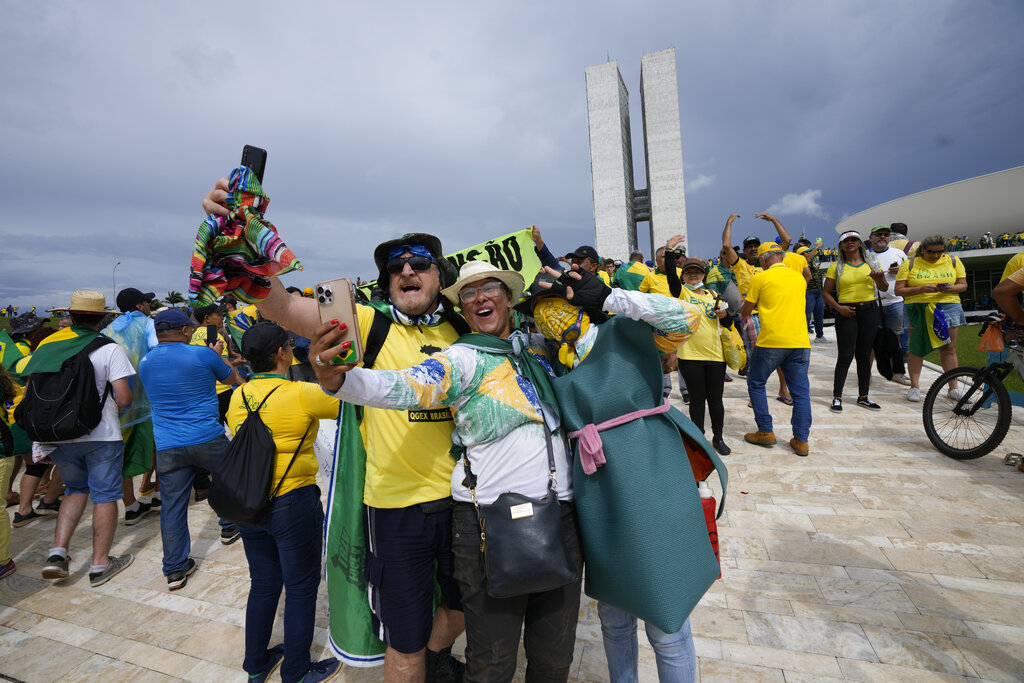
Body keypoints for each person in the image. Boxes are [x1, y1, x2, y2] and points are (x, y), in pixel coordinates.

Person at [206, 170, 466, 679]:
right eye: (396, 267)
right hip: (396, 507)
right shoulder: (369, 323)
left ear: (439, 276)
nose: (406, 270)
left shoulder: (462, 326)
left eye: (419, 263)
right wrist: (244, 238)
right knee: (404, 640)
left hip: (464, 502)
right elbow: (280, 307)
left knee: (462, 609)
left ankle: (438, 658)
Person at [312, 260, 582, 681]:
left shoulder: (540, 349)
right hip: (489, 525)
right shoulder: (462, 358)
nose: (479, 298)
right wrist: (339, 382)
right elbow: (404, 385)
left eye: (489, 288)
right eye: (469, 294)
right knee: (491, 662)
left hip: (559, 516)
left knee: (554, 657)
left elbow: (675, 329)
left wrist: (600, 300)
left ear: (508, 297)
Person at [227, 323, 341, 683]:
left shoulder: (237, 397)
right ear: (282, 353)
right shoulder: (301, 393)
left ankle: (257, 663)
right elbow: (349, 403)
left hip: (247, 502)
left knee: (263, 583)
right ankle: (296, 670)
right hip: (292, 502)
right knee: (301, 587)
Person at [28, 291, 136, 586]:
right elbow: (124, 396)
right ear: (102, 318)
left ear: (71, 316)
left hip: (57, 435)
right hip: (101, 435)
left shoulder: (47, 346)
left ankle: (57, 552)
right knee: (104, 496)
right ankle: (100, 564)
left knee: (75, 489)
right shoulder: (107, 348)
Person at [138, 308, 244, 589]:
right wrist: (218, 353)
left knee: (172, 505)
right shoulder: (202, 353)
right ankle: (230, 527)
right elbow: (230, 379)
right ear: (185, 330)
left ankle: (174, 568)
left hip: (168, 445)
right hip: (206, 436)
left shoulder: (145, 361)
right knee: (229, 480)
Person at [740, 244, 812, 456]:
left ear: (763, 260)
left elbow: (745, 311)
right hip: (799, 342)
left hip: (771, 340)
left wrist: (757, 304)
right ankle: (801, 440)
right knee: (800, 393)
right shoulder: (798, 278)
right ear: (781, 257)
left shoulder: (760, 278)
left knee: (756, 382)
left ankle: (765, 431)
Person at [107, 286, 161, 525]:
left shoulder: (109, 330)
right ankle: (159, 495)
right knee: (160, 447)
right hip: (150, 400)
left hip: (119, 403)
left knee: (121, 454)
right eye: (147, 302)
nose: (149, 306)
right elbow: (157, 356)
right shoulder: (149, 325)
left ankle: (130, 506)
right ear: (140, 306)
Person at [894, 234, 968, 401]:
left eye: (940, 252)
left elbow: (963, 285)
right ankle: (914, 387)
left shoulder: (953, 261)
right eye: (931, 252)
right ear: (922, 250)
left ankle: (953, 388)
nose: (935, 256)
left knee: (948, 348)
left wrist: (951, 288)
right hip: (917, 308)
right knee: (916, 347)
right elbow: (899, 290)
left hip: (948, 306)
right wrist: (921, 289)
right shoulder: (910, 263)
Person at [821, 232, 888, 412]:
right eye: (846, 241)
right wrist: (839, 308)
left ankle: (863, 396)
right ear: (841, 246)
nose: (850, 243)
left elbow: (884, 287)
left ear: (859, 243)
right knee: (845, 356)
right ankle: (837, 396)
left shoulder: (872, 264)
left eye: (853, 240)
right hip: (846, 312)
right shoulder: (836, 267)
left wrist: (878, 278)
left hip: (869, 310)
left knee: (864, 355)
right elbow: (826, 293)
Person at [673, 259, 731, 456]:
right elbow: (672, 278)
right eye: (689, 272)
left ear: (703, 275)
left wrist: (725, 315)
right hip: (690, 356)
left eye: (697, 272)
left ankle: (718, 437)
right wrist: (670, 251)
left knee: (716, 400)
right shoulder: (682, 292)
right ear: (683, 276)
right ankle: (699, 438)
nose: (693, 275)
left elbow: (729, 322)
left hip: (716, 356)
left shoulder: (714, 295)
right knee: (697, 401)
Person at [868, 226, 910, 384]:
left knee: (895, 339)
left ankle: (897, 372)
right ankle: (866, 373)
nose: (882, 237)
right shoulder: (865, 256)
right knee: (870, 340)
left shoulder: (898, 254)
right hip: (872, 302)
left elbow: (910, 273)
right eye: (878, 235)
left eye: (885, 234)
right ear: (871, 237)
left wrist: (901, 271)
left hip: (895, 301)